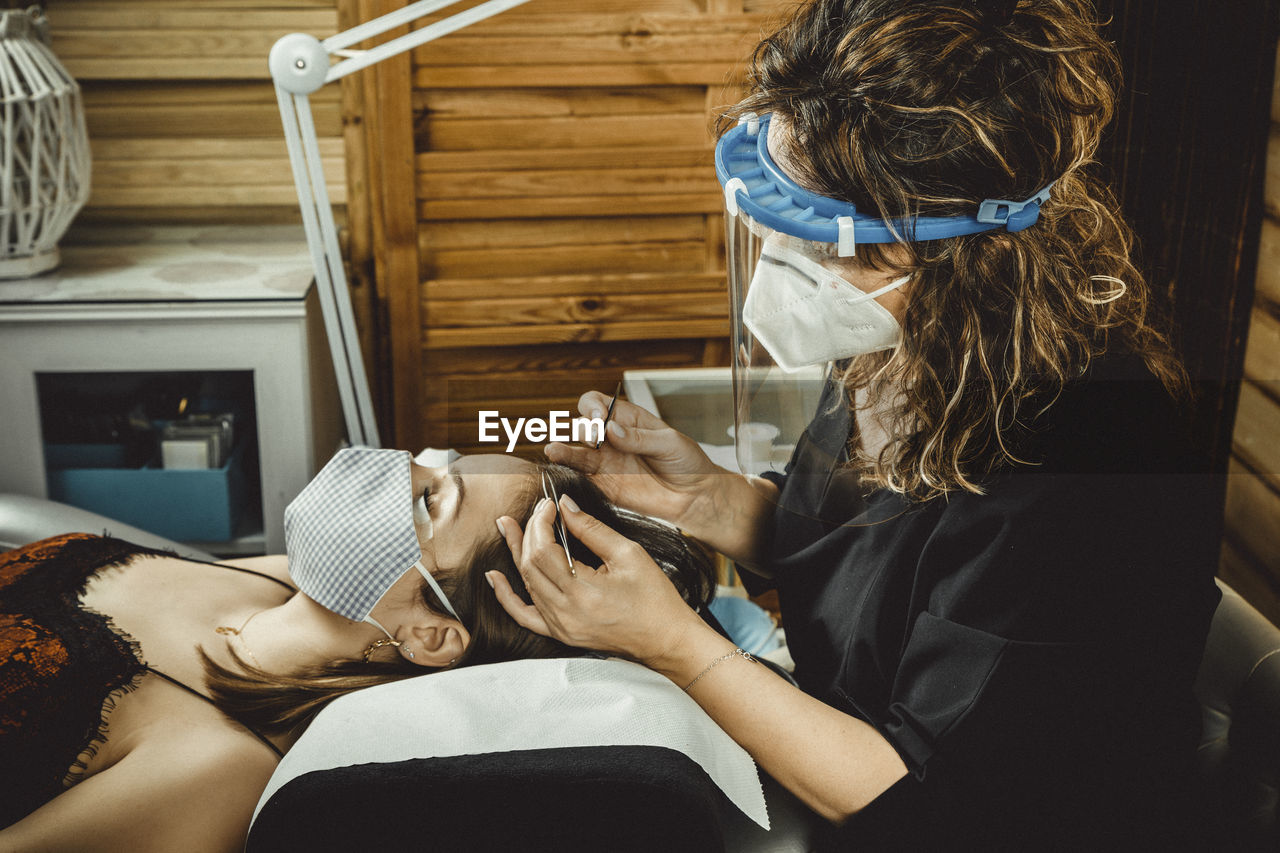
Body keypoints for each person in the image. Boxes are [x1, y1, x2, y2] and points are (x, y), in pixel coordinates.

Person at [489, 1, 1224, 849]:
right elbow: (874, 560)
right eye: (777, 225)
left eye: (819, 240)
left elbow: (924, 799)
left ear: (952, 240)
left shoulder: (1089, 461)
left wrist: (675, 645)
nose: (784, 271)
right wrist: (706, 499)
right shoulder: (904, 344)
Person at [0, 451, 714, 852]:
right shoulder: (272, 579)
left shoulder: (214, 767)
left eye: (432, 497)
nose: (409, 460)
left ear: (430, 634)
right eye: (439, 456)